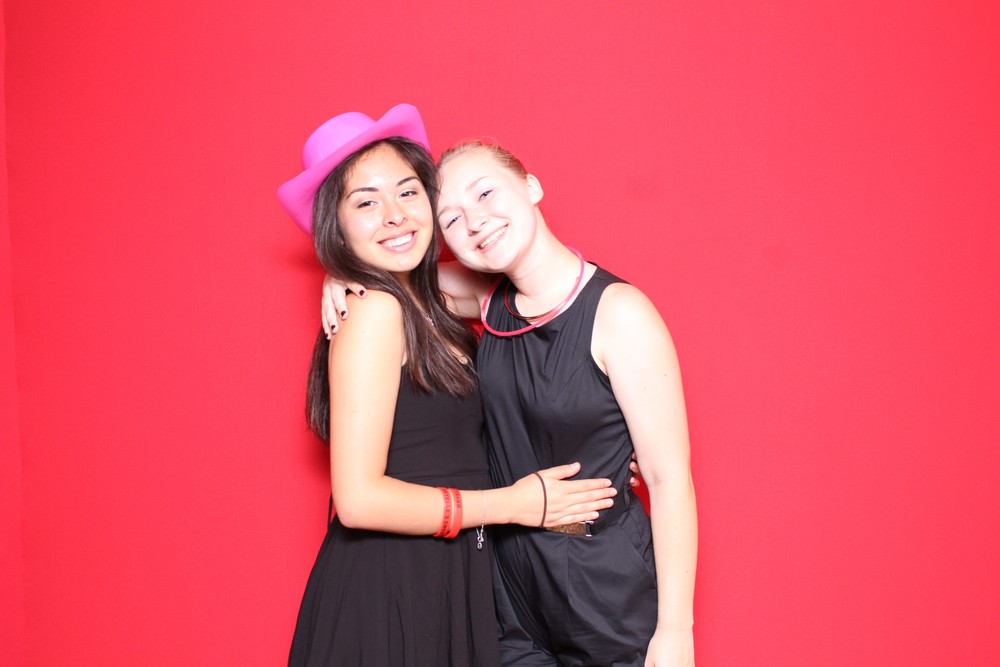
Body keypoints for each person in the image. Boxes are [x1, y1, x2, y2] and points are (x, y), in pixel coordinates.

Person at [323, 137, 697, 666]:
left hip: (600, 580)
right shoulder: (486, 297)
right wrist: (340, 273)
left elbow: (668, 478)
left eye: (485, 194)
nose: (475, 222)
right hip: (503, 585)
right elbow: (397, 275)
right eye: (451, 218)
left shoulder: (621, 313)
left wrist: (675, 631)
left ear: (531, 185)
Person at [277, 105, 618, 667]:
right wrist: (514, 505)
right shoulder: (376, 311)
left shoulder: (426, 304)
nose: (395, 216)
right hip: (388, 591)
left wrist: (606, 444)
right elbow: (358, 501)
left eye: (408, 192)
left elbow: (520, 279)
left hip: (446, 578)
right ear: (335, 226)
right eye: (365, 203)